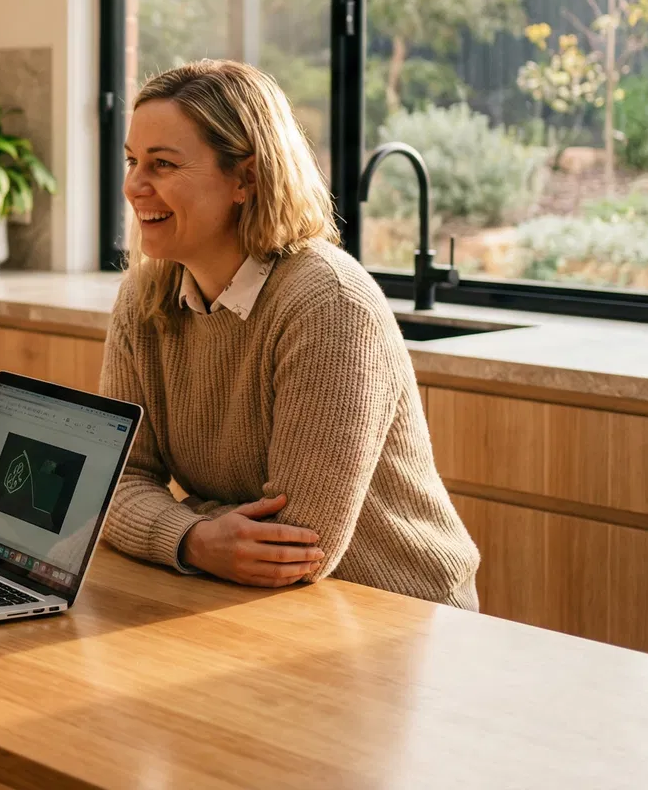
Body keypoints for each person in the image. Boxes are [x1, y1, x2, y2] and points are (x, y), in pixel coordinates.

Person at [98, 59, 480, 609]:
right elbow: (112, 482)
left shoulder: (330, 304)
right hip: (252, 601)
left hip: (399, 612)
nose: (134, 186)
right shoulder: (144, 298)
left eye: (163, 164)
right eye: (133, 160)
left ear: (246, 179)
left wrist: (165, 521)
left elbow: (297, 544)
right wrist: (196, 538)